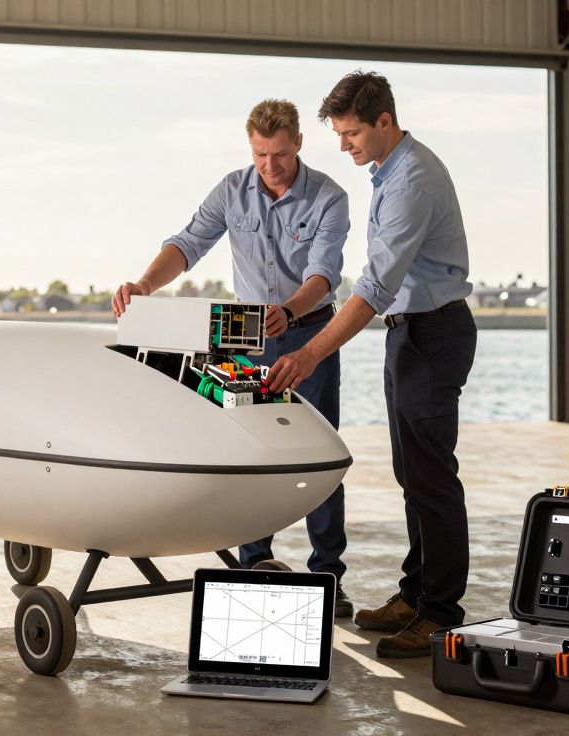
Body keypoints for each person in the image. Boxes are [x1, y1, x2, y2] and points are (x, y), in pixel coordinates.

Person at [111, 98, 354, 616]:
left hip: (308, 334)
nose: (271, 166)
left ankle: (328, 575)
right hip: (246, 336)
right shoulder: (231, 190)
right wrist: (146, 285)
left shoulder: (329, 198)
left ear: (299, 145)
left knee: (317, 452)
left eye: (281, 154)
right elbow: (189, 243)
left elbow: (324, 274)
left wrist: (288, 312)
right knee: (251, 451)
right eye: (262, 155)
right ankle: (254, 565)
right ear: (252, 148)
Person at [269, 72, 475, 658]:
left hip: (435, 334)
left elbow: (376, 287)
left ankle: (440, 613)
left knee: (432, 476)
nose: (343, 145)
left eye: (352, 132)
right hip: (409, 335)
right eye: (338, 133)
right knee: (412, 474)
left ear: (385, 121)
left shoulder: (412, 181)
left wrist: (310, 351)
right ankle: (415, 594)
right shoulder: (388, 171)